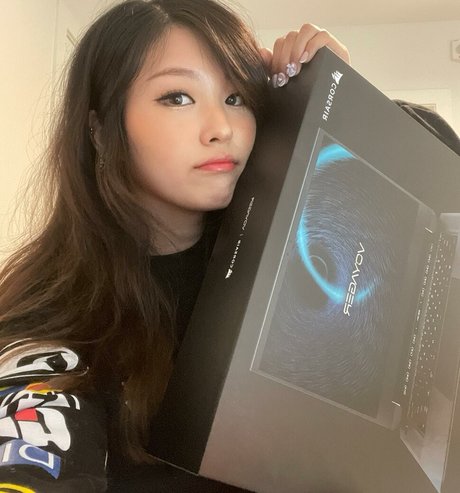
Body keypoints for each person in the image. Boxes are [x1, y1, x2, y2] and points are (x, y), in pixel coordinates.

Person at [0, 1, 457, 492]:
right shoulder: (55, 321)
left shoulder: (293, 241)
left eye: (236, 97)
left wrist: (346, 109)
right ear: (99, 129)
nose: (222, 127)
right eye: (177, 97)